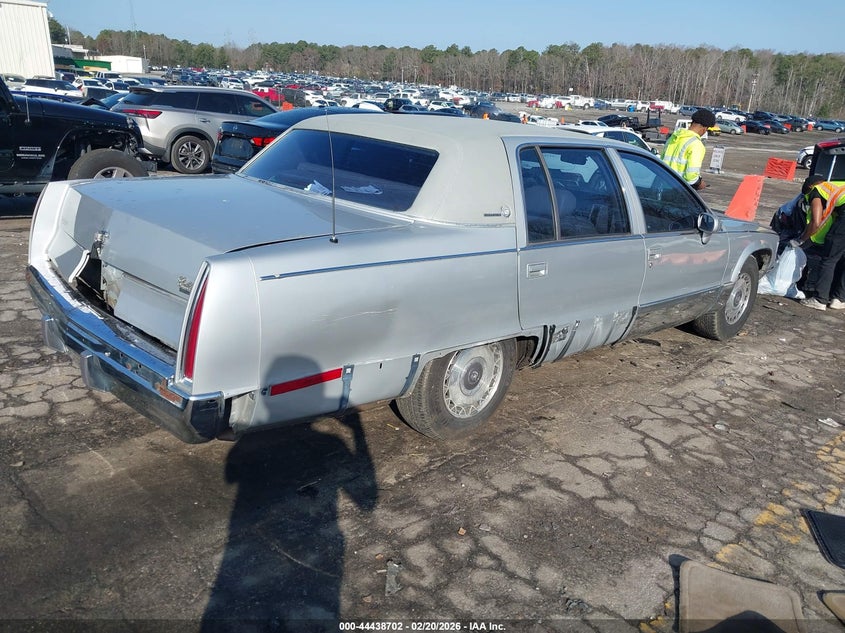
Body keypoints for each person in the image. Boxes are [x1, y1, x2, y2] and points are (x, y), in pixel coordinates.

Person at [795, 176, 845, 310]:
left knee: (829, 259)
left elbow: (816, 222)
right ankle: (839, 299)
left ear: (810, 188)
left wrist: (802, 239)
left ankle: (820, 299)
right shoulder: (838, 186)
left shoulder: (817, 190)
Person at [660, 108, 716, 190]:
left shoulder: (674, 137)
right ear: (704, 128)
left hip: (662, 184)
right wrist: (700, 184)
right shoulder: (696, 144)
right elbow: (691, 176)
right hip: (677, 190)